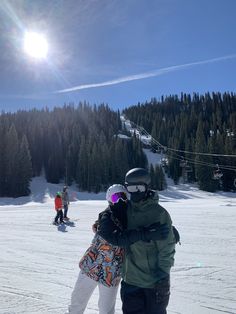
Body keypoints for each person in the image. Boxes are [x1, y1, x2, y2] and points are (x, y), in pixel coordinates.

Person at [67, 184, 169, 314]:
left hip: (112, 272)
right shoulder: (106, 217)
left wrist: (170, 229)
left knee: (107, 310)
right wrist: (144, 233)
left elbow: (148, 220)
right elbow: (118, 238)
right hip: (91, 266)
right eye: (116, 198)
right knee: (77, 302)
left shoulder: (131, 217)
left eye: (123, 196)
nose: (120, 201)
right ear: (110, 200)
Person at [97, 168, 176, 314]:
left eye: (139, 187)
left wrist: (163, 275)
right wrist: (102, 221)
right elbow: (111, 223)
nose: (135, 192)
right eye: (131, 188)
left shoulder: (159, 213)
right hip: (131, 282)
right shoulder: (126, 209)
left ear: (147, 187)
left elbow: (167, 248)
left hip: (154, 284)